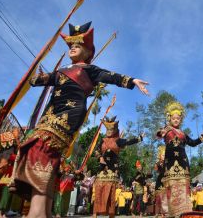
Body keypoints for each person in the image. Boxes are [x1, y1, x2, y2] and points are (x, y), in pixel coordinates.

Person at [10, 21, 150, 218]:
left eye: (78, 45)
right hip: (49, 115)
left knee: (42, 149)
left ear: (88, 51)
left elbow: (109, 76)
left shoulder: (90, 70)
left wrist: (131, 80)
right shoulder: (61, 71)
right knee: (45, 155)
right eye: (70, 45)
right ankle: (43, 211)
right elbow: (39, 80)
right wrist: (35, 77)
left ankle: (37, 212)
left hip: (68, 116)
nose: (73, 47)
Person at [157, 101, 203, 217]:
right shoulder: (167, 129)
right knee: (172, 188)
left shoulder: (183, 134)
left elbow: (193, 143)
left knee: (184, 188)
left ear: (181, 120)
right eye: (173, 118)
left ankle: (184, 212)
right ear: (169, 119)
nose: (176, 120)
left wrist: (201, 139)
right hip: (170, 164)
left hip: (183, 163)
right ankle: (172, 213)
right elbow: (159, 134)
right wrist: (161, 132)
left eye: (178, 118)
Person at [93, 116, 143, 218]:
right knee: (99, 189)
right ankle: (96, 212)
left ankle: (111, 213)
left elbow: (128, 141)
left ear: (115, 130)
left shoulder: (118, 140)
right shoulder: (102, 140)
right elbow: (97, 151)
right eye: (108, 129)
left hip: (113, 169)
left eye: (111, 129)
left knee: (111, 191)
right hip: (102, 168)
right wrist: (100, 158)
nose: (109, 131)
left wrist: (139, 138)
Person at [154, 145, 168, 217]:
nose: (163, 156)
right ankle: (156, 213)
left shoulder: (168, 162)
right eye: (162, 155)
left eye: (164, 154)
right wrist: (158, 162)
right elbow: (156, 170)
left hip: (166, 180)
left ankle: (164, 213)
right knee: (158, 198)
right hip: (160, 180)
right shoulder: (158, 163)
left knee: (165, 198)